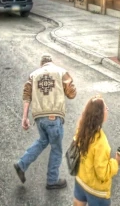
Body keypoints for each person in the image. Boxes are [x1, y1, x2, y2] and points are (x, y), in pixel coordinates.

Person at [14, 54, 77, 189]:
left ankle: (21, 164)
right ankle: (52, 180)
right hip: (54, 117)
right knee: (56, 149)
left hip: (39, 118)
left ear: (41, 64)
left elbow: (26, 95)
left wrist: (24, 117)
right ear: (51, 63)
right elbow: (71, 93)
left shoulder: (33, 75)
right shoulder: (61, 72)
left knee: (43, 141)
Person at [72, 95, 120, 206]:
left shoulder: (81, 130)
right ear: (99, 116)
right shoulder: (101, 142)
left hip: (80, 181)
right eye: (106, 108)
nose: (108, 110)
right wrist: (116, 162)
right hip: (95, 191)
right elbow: (102, 173)